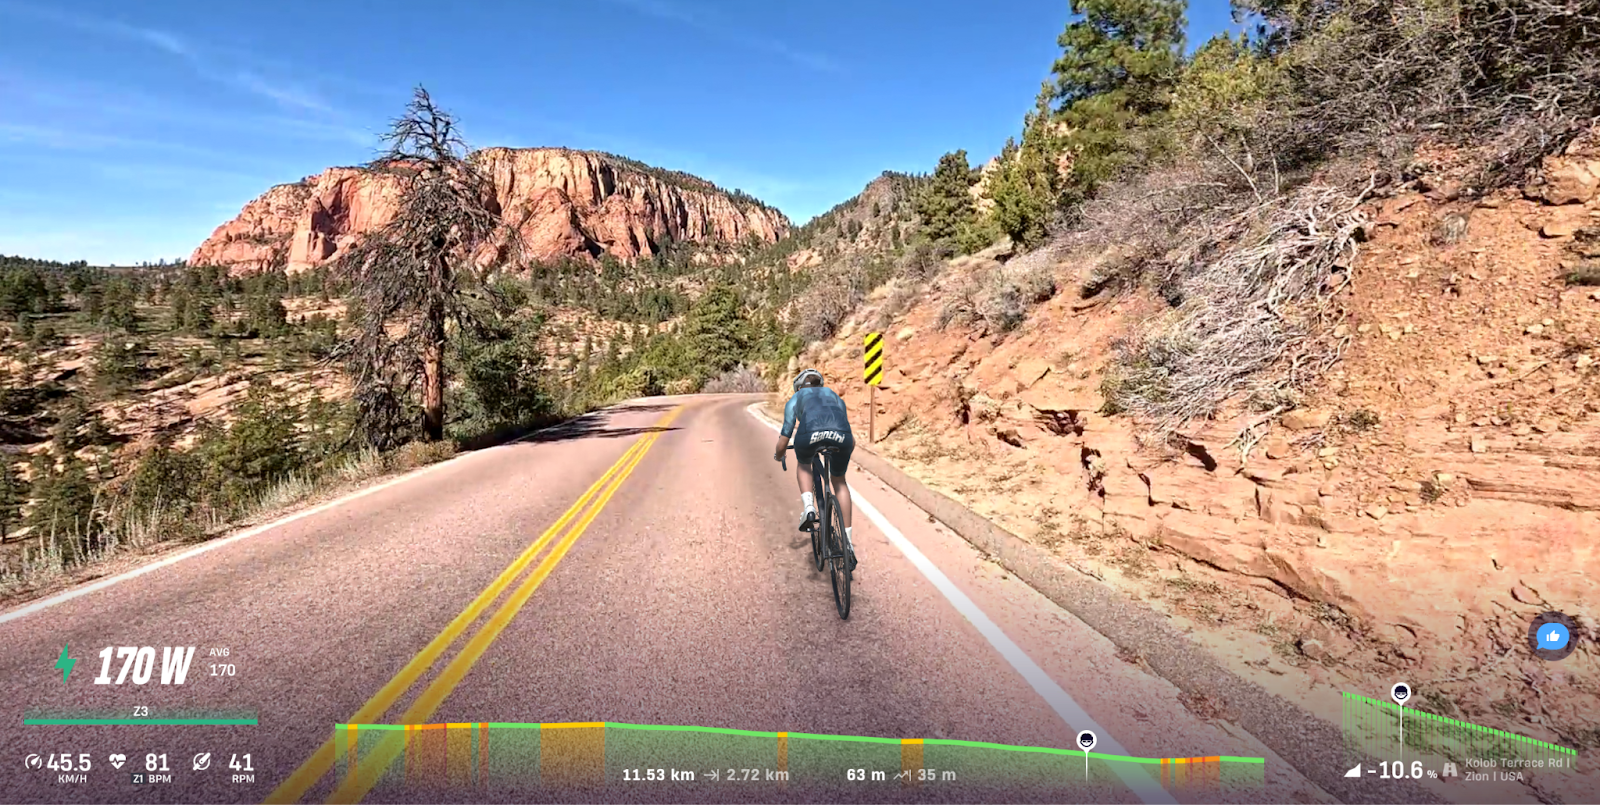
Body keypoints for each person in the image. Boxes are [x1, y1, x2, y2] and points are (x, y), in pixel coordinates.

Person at [773, 368, 857, 569]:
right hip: (843, 438)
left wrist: (779, 454)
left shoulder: (796, 398)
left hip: (809, 435)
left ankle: (809, 508)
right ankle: (848, 545)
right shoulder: (834, 395)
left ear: (799, 387)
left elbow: (786, 433)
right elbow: (844, 424)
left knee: (804, 464)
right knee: (839, 480)